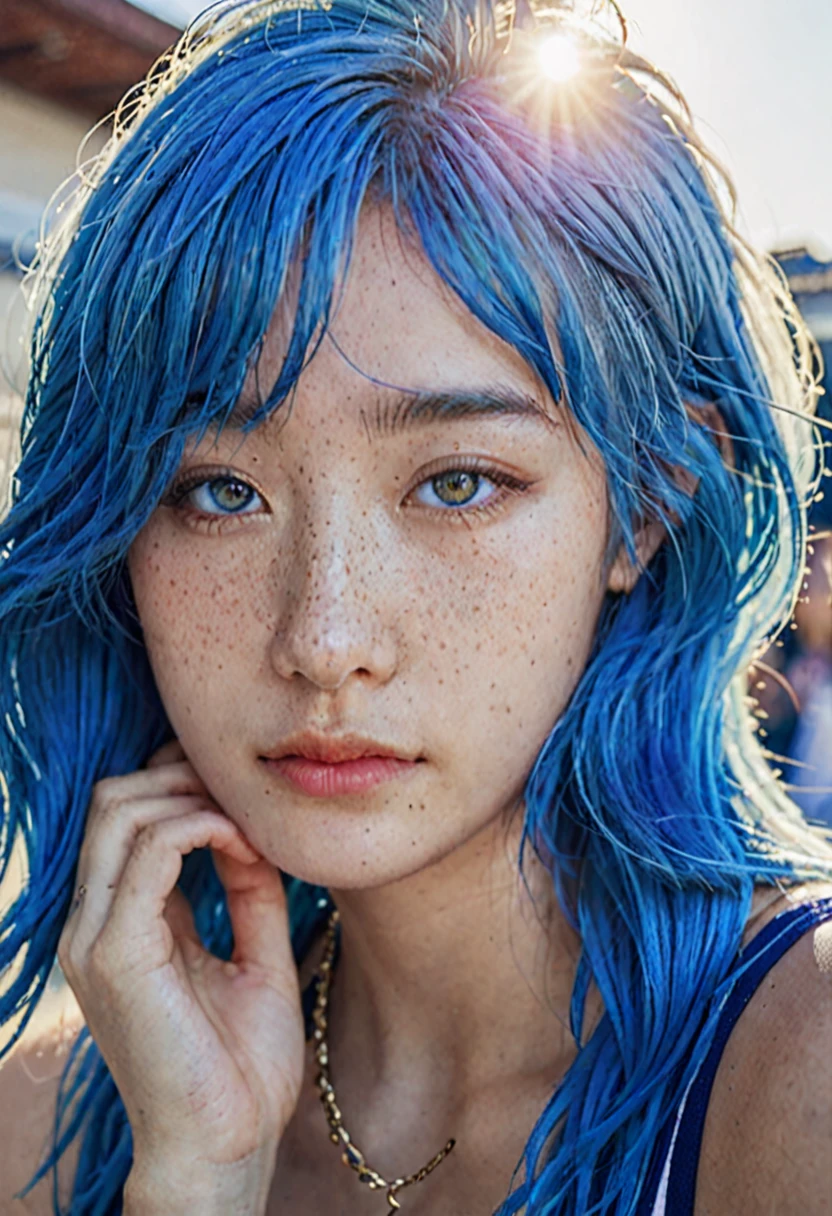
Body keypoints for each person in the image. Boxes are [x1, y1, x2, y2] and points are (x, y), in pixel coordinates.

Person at [1, 1, 831, 1213]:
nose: (325, 639)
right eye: (218, 491)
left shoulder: (798, 1080)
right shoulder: (49, 1126)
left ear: (646, 504)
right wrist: (191, 1181)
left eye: (458, 483)